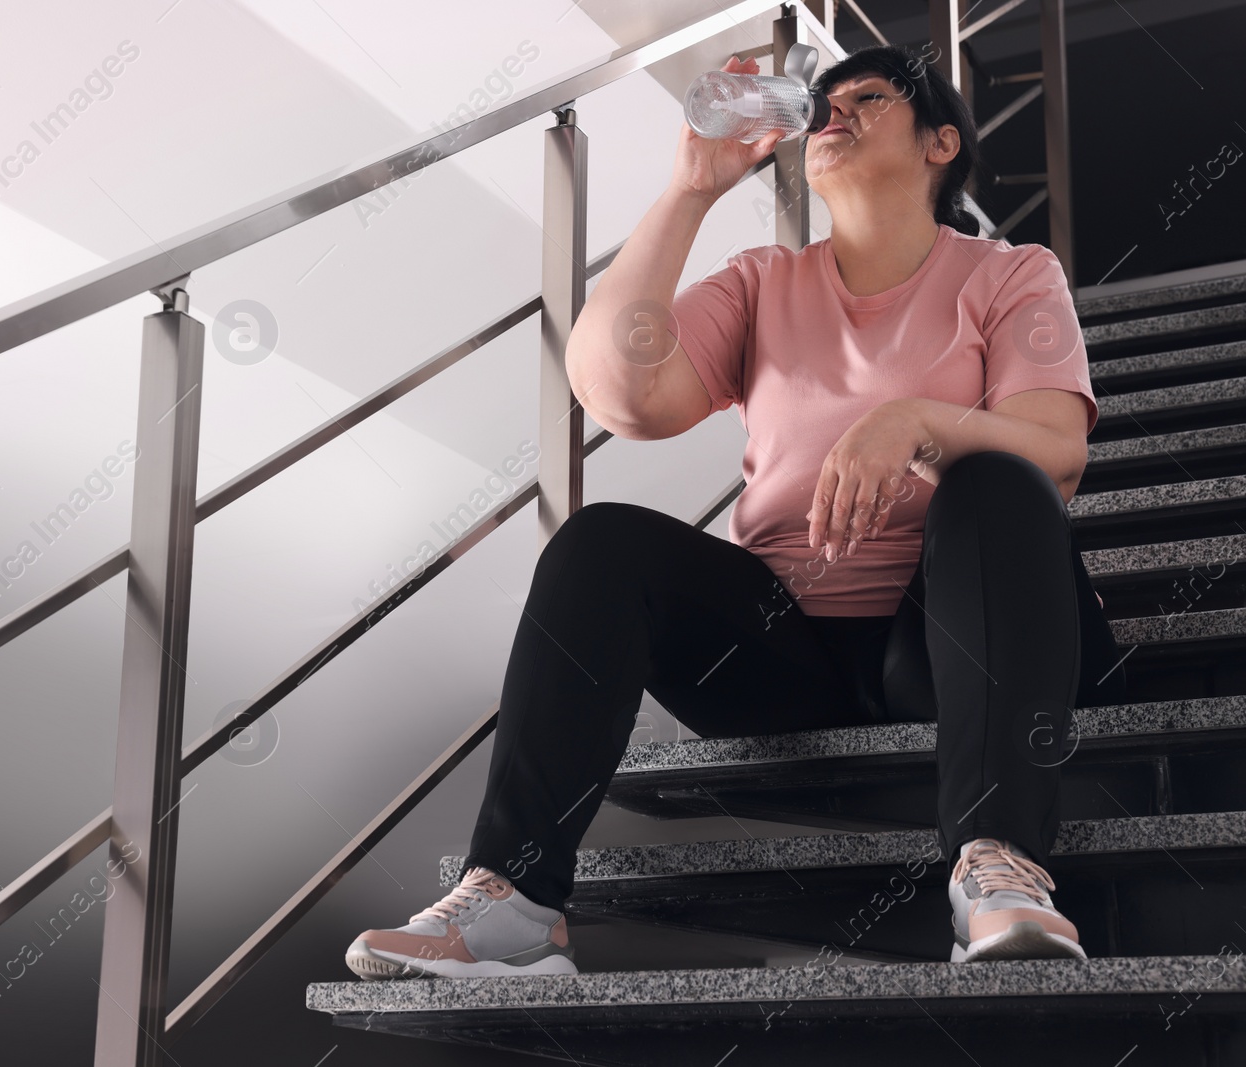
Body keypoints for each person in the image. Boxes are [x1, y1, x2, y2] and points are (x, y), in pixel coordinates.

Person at [343, 43, 1129, 981]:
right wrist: (688, 188)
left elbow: (1058, 453)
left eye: (867, 98)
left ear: (941, 143)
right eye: (824, 103)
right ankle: (514, 902)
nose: (832, 112)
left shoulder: (1011, 275)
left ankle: (1000, 873)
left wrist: (916, 422)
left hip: (957, 650)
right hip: (780, 656)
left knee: (999, 477)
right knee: (600, 542)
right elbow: (621, 396)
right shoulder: (764, 282)